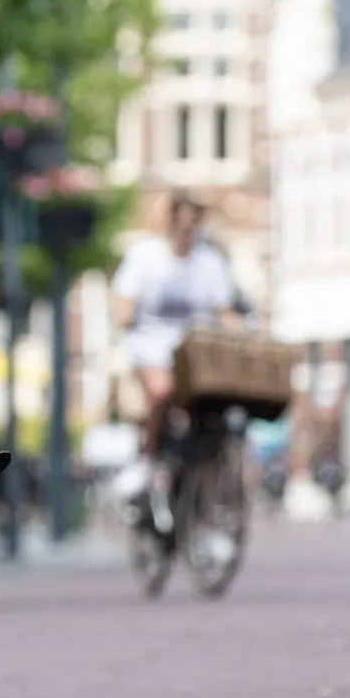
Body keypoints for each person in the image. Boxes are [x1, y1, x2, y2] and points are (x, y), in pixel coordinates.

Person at [111, 191, 241, 527]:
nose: (187, 232)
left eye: (193, 224)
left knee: (216, 414)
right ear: (169, 224)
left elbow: (224, 310)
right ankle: (147, 460)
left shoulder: (208, 261)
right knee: (162, 391)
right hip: (152, 347)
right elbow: (123, 301)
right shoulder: (145, 257)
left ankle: (209, 502)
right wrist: (125, 312)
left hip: (196, 355)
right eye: (181, 224)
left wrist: (242, 331)